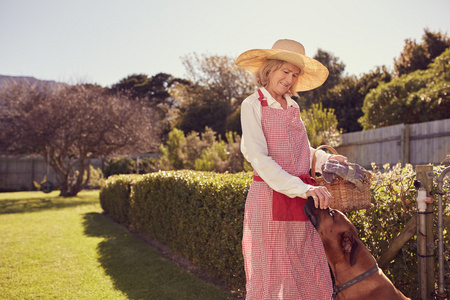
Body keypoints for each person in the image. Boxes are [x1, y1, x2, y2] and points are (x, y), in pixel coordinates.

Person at [235, 39, 349, 299]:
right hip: (269, 200)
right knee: (273, 274)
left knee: (307, 267)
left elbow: (303, 150)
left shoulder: (293, 106)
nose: (289, 79)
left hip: (301, 199)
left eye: (294, 75)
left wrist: (325, 161)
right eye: (285, 71)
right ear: (270, 69)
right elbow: (259, 158)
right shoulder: (252, 105)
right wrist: (304, 188)